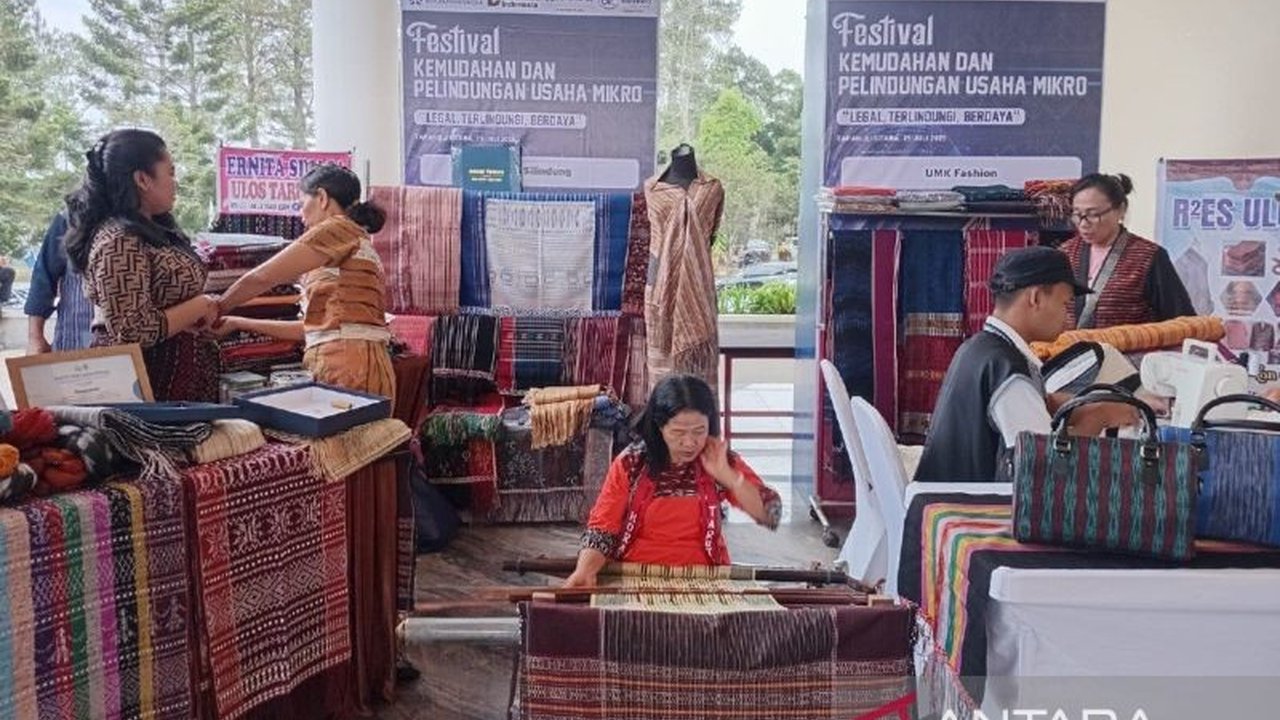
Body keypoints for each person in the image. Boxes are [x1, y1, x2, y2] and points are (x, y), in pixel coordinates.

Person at [211, 163, 402, 706]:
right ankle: (366, 636)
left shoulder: (334, 232)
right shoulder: (351, 246)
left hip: (347, 371)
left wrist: (219, 304)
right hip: (348, 363)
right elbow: (309, 328)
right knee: (353, 492)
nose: (299, 214)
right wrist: (241, 324)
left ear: (321, 199)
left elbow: (261, 277)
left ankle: (359, 636)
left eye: (301, 203)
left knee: (347, 490)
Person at [914, 247, 1140, 484]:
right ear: (1036, 298)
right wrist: (1100, 418)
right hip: (972, 511)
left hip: (948, 497)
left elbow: (1044, 403)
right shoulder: (1009, 372)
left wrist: (1101, 404)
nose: (1067, 318)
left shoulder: (982, 348)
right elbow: (1047, 468)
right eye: (1065, 304)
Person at [565, 374, 782, 588]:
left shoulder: (717, 459)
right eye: (678, 432)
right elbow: (603, 526)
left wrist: (730, 478)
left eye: (699, 431)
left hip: (704, 579)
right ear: (660, 428)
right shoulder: (631, 463)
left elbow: (770, 513)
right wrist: (585, 570)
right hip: (636, 575)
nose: (689, 443)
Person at [63, 129, 220, 402]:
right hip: (148, 384)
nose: (175, 182)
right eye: (170, 173)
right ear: (142, 179)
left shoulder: (154, 229)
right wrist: (201, 305)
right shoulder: (120, 241)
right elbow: (132, 329)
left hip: (175, 379)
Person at [1060, 173, 1195, 329]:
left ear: (1121, 210)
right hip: (1071, 351)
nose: (1083, 224)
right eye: (1077, 214)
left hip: (1129, 352)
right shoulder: (1065, 254)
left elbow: (1182, 321)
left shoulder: (1148, 257)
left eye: (1093, 214)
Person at [25, 212, 94, 353]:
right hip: (77, 334)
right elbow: (44, 276)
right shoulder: (71, 217)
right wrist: (35, 337)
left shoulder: (146, 215)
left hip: (135, 342)